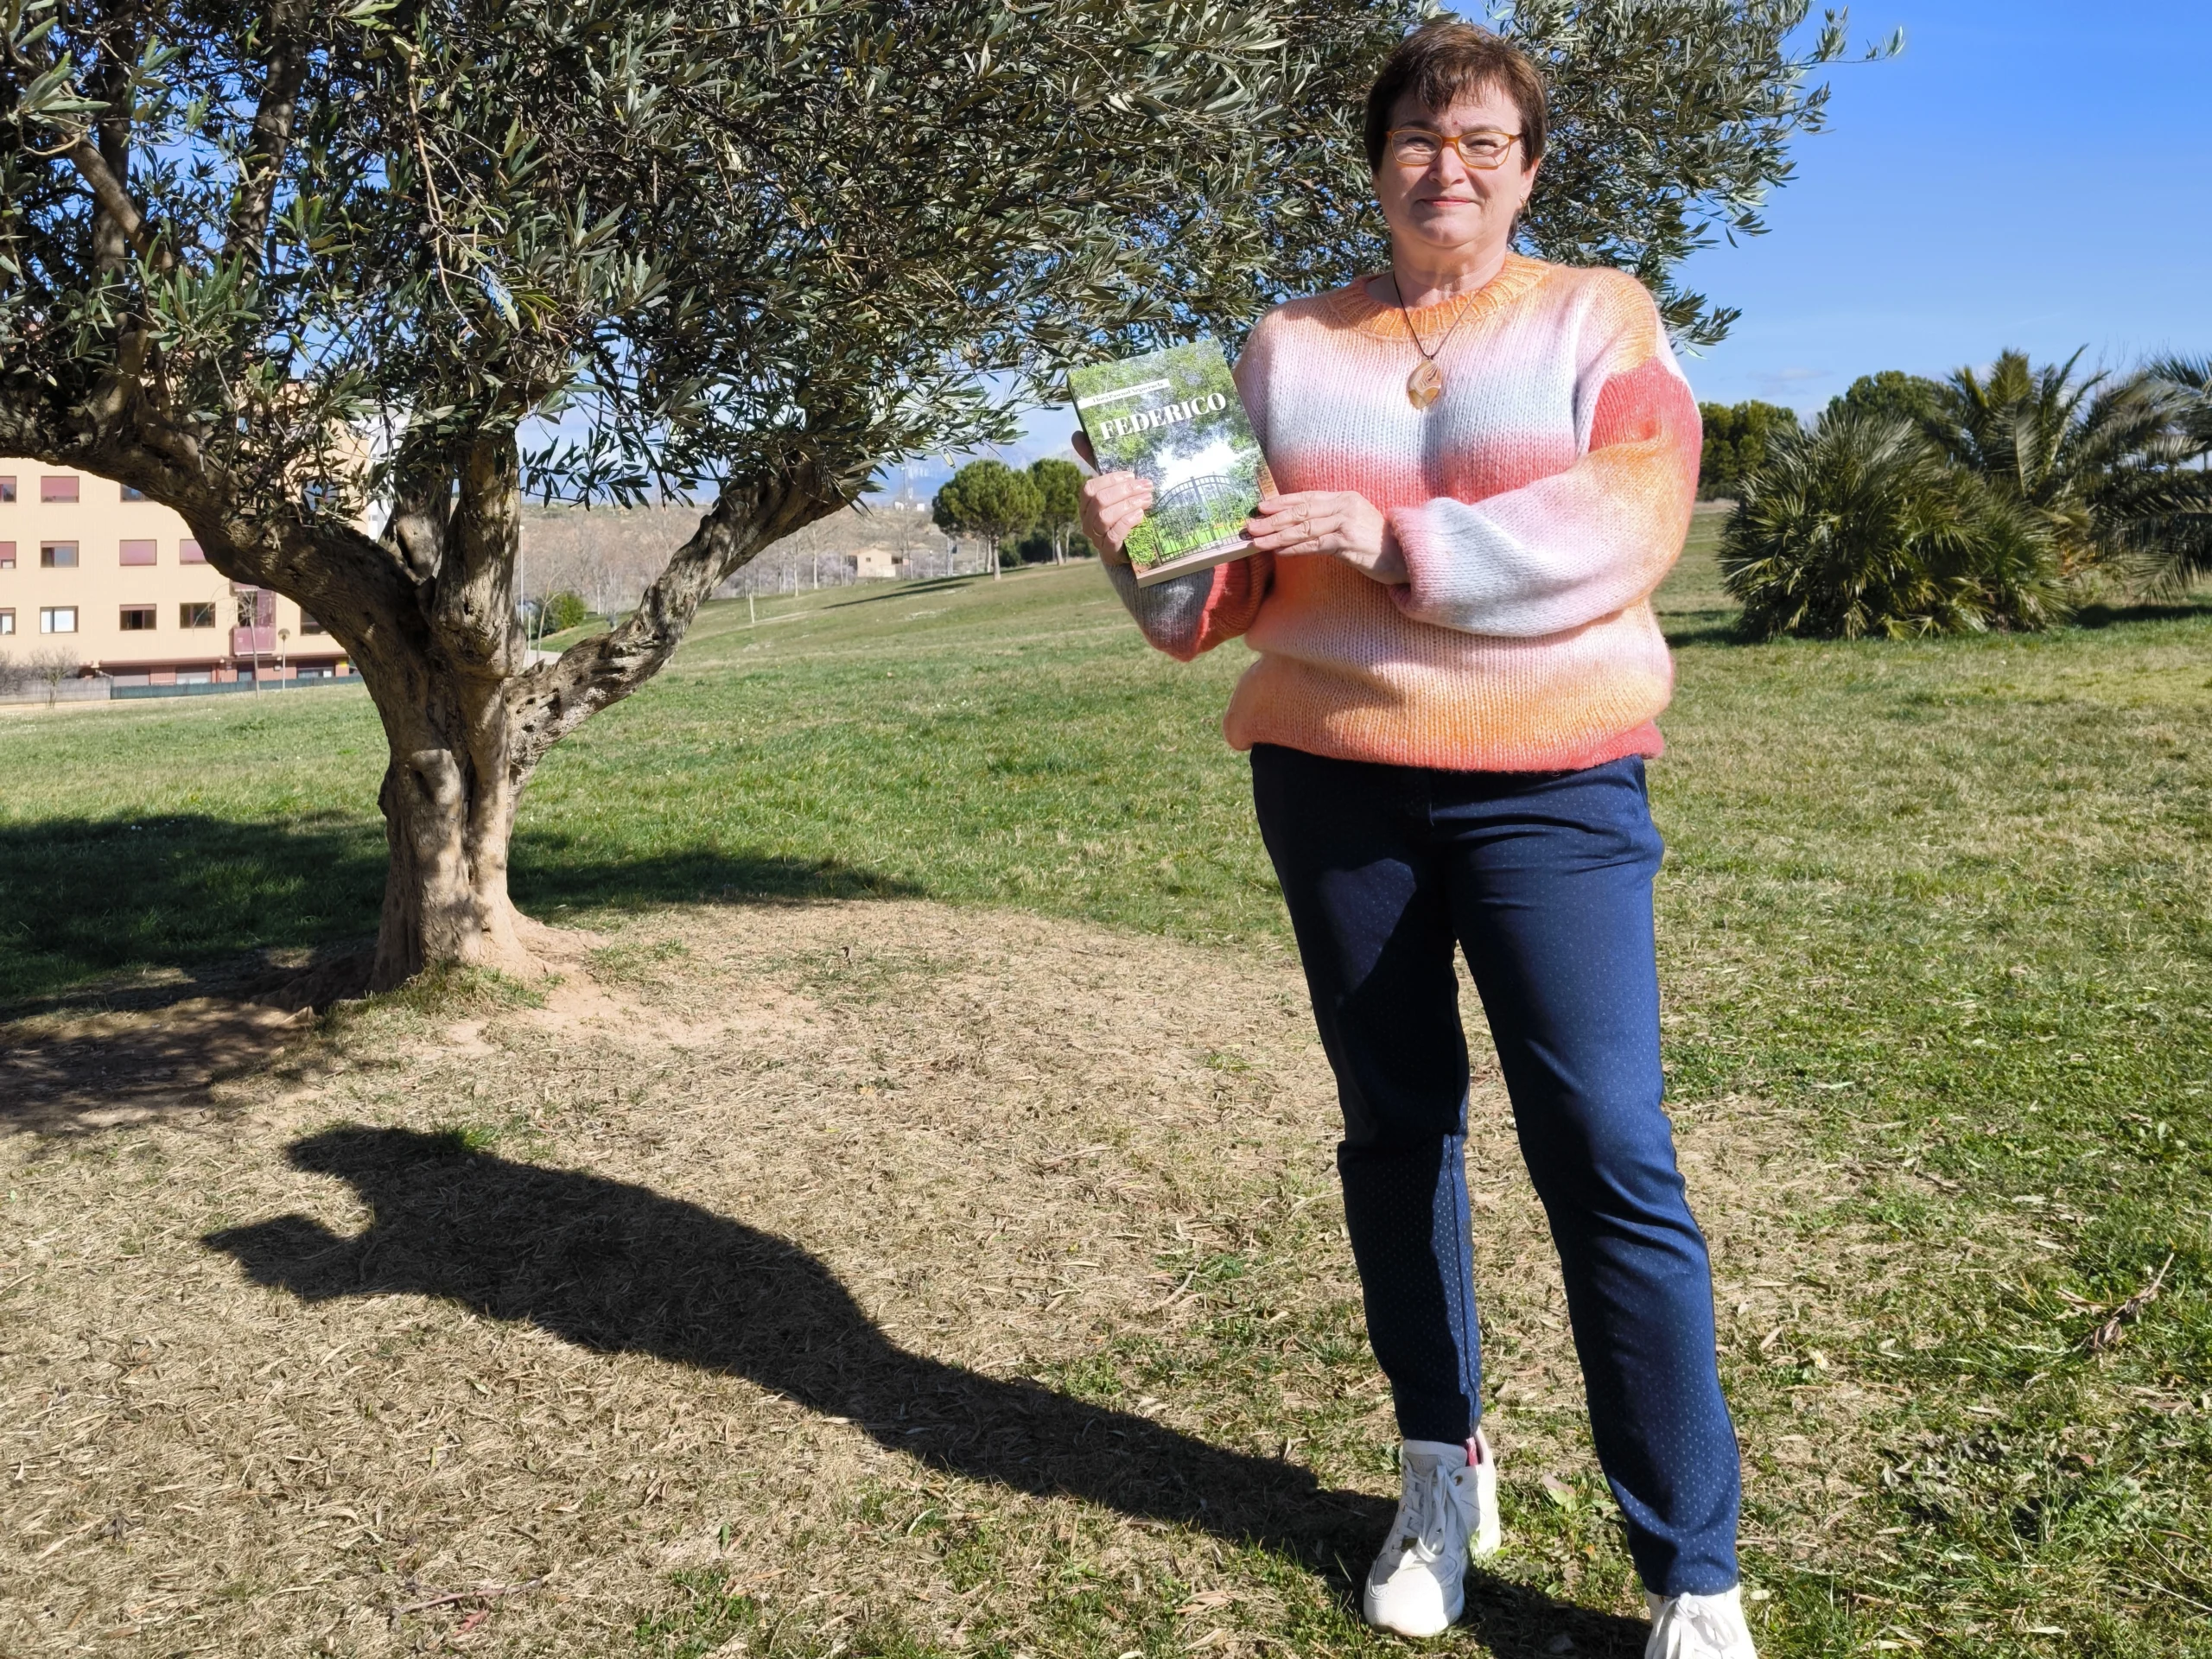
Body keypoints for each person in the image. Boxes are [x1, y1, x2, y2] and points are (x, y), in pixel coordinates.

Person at [1073, 21, 1753, 1659]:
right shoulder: (1283, 349)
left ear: (1528, 167)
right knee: (1397, 1135)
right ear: (1373, 159)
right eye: (1418, 139)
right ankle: (1441, 1478)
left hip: (1555, 782)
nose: (1448, 168)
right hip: (1336, 778)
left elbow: (1635, 513)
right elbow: (1213, 602)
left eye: (1485, 143)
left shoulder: (1600, 317)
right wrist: (1136, 552)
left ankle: (1694, 1567)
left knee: (1607, 1148)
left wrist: (1392, 537)